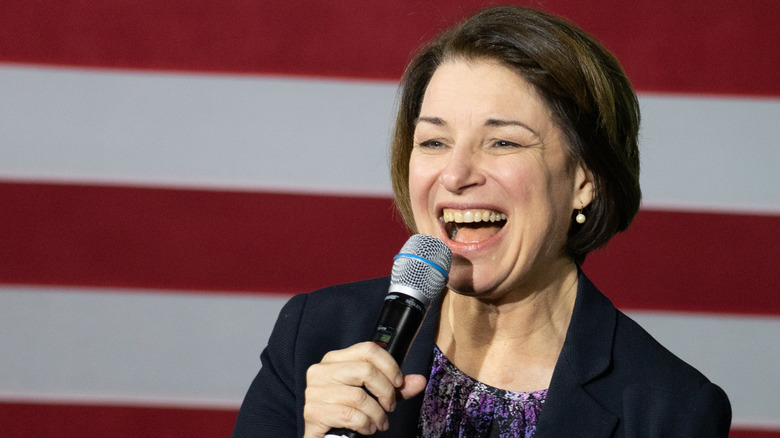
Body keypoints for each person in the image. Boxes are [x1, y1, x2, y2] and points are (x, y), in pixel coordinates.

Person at [233, 5, 731, 437]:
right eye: (433, 141)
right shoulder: (316, 334)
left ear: (586, 178)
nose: (455, 174)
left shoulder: (669, 407)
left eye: (503, 142)